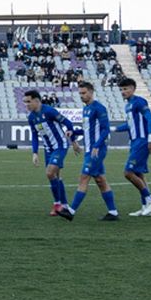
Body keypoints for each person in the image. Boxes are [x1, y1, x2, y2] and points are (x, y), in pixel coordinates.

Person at [62, 80, 117, 221]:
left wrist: (97, 146)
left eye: (84, 93)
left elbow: (105, 129)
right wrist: (73, 131)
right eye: (80, 93)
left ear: (91, 92)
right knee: (100, 180)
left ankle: (71, 211)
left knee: (84, 177)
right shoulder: (86, 109)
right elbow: (87, 130)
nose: (81, 96)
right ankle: (113, 212)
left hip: (97, 150)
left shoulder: (99, 108)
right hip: (89, 150)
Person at [112, 77, 151, 216]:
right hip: (134, 142)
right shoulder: (128, 105)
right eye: (121, 89)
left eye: (126, 89)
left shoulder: (139, 101)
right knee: (138, 174)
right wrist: (113, 129)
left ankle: (150, 199)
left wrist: (150, 139)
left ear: (133, 88)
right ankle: (145, 207)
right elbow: (130, 125)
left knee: (128, 172)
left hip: (141, 141)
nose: (123, 91)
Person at [24, 89, 76, 215]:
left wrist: (70, 131)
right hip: (48, 149)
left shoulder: (49, 111)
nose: (26, 104)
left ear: (37, 101)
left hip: (60, 146)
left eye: (28, 102)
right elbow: (35, 135)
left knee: (49, 173)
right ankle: (62, 205)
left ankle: (57, 205)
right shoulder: (31, 117)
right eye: (25, 102)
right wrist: (35, 153)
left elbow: (67, 122)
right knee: (56, 176)